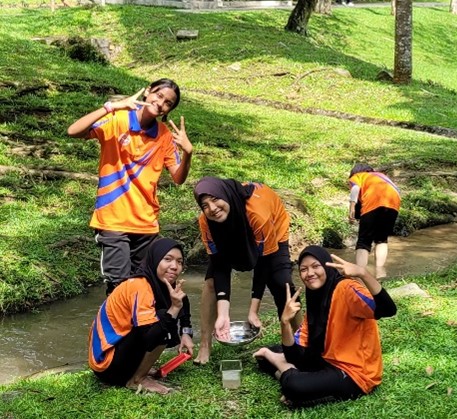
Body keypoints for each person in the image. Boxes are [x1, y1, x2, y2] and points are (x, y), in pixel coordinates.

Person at [67, 79, 193, 295]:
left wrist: (188, 152)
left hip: (146, 224)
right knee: (120, 287)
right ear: (147, 92)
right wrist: (110, 107)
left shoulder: (164, 136)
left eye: (168, 103)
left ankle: (140, 328)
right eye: (159, 95)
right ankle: (111, 327)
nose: (161, 103)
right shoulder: (117, 119)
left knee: (145, 286)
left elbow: (178, 178)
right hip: (113, 219)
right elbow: (74, 131)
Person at [253, 245, 397, 407]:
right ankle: (293, 378)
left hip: (355, 372)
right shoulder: (315, 297)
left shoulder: (347, 288)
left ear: (327, 266)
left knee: (292, 384)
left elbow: (388, 309)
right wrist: (285, 322)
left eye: (316, 266)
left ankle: (286, 373)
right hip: (327, 359)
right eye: (304, 269)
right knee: (265, 356)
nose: (310, 273)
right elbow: (295, 353)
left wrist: (362, 273)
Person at [192, 176, 301, 365]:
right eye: (205, 205)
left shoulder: (258, 213)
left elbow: (264, 263)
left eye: (215, 199)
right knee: (210, 283)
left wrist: (253, 311)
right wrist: (223, 314)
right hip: (230, 232)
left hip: (272, 227)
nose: (212, 208)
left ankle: (302, 341)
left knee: (281, 282)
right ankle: (204, 345)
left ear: (225, 195)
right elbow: (219, 266)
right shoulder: (206, 222)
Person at [88, 238, 194, 394]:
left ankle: (138, 371)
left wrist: (186, 332)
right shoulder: (140, 285)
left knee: (167, 314)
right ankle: (137, 379)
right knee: (164, 318)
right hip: (108, 367)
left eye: (179, 262)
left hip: (118, 354)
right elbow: (152, 336)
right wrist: (173, 309)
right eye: (167, 259)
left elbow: (183, 300)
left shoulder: (159, 282)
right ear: (155, 259)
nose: (174, 266)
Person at [348, 163, 401, 279]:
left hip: (373, 201)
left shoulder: (357, 176)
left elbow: (355, 189)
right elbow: (398, 190)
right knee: (381, 240)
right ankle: (380, 272)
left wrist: (352, 206)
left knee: (363, 242)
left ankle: (360, 276)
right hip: (394, 202)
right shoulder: (381, 176)